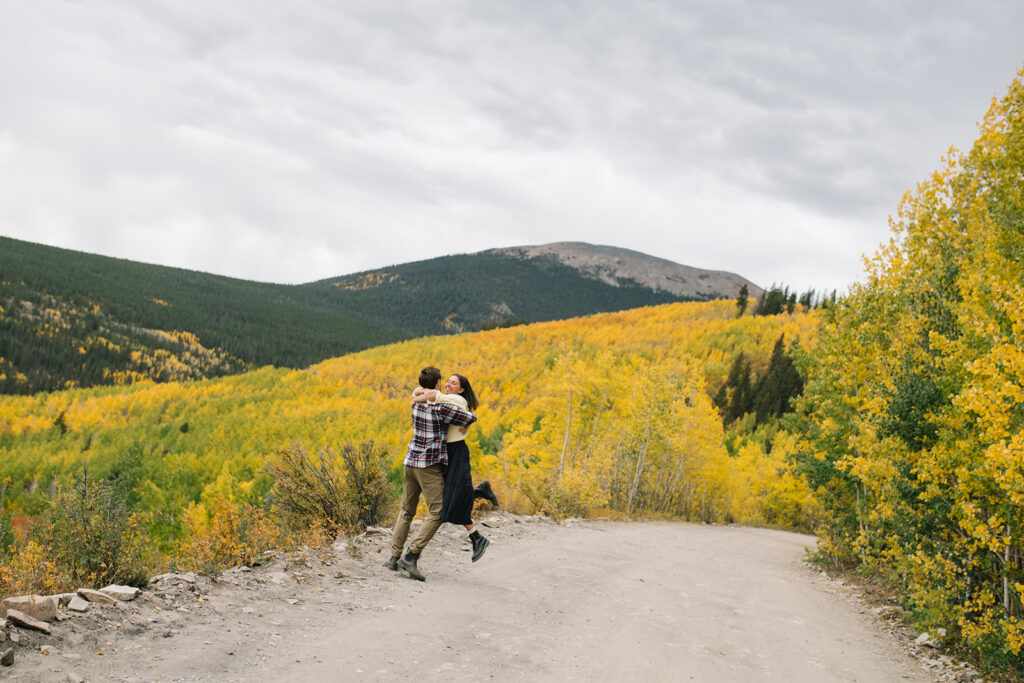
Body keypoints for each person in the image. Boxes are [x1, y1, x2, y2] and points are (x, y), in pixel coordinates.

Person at [386, 366, 477, 581]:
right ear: (437, 384)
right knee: (438, 511)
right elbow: (470, 417)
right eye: (442, 382)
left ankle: (393, 558)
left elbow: (419, 395)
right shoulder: (441, 409)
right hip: (427, 466)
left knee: (406, 510)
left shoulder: (416, 404)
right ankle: (412, 555)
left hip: (410, 461)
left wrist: (421, 395)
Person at [412, 374, 497, 562]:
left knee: (452, 500)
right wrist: (421, 394)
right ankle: (479, 495)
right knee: (451, 496)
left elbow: (433, 396)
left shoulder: (457, 399)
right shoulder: (445, 398)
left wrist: (419, 397)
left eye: (454, 383)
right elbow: (422, 392)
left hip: (457, 452)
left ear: (461, 389)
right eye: (448, 381)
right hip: (445, 452)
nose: (449, 384)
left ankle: (477, 538)